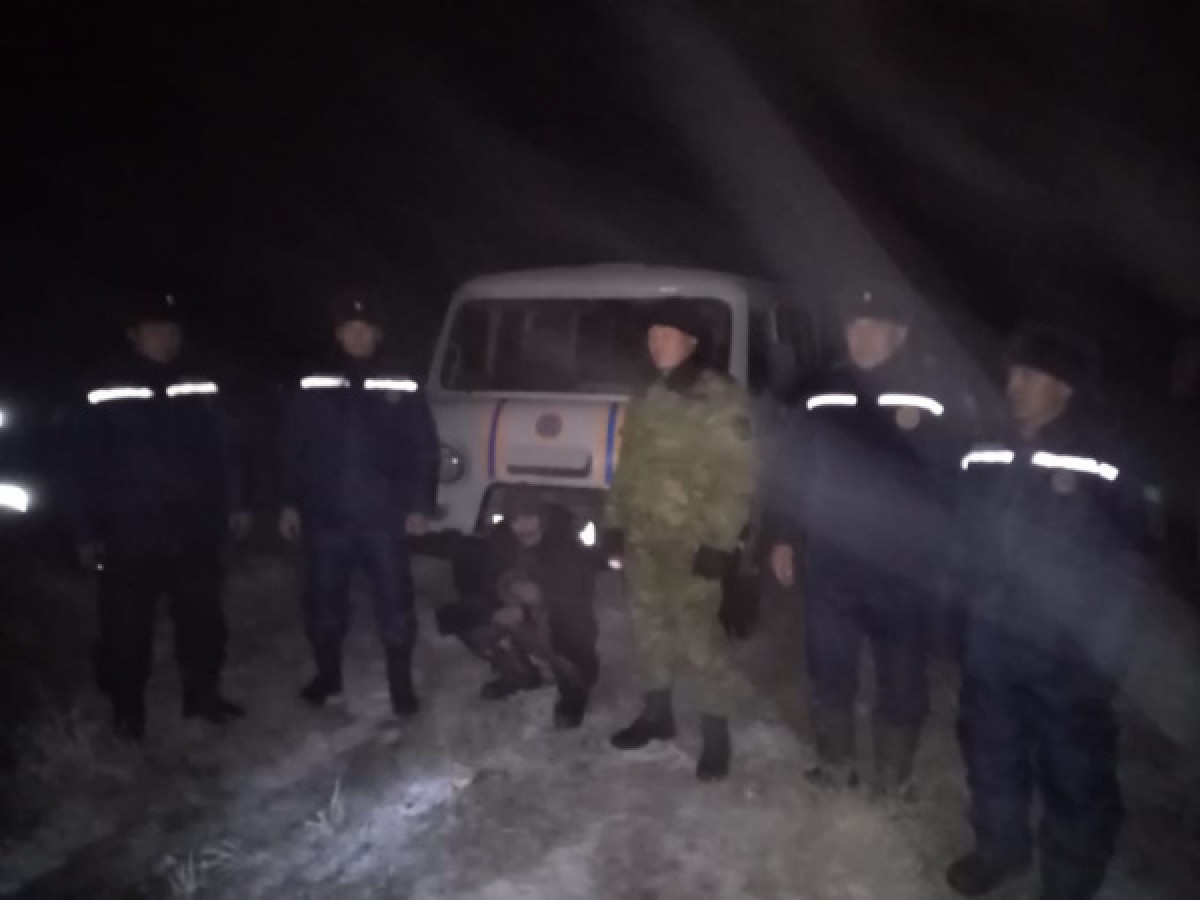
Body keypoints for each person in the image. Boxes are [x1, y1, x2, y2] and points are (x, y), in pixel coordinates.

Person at [946, 326, 1147, 900]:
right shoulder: (988, 444)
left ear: (1066, 386)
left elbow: (1129, 571)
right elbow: (961, 535)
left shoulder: (1109, 458)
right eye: (1012, 373)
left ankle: (1068, 883)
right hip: (992, 638)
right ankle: (1000, 849)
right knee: (992, 752)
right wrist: (957, 612)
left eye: (1030, 375)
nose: (1014, 385)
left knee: (1074, 775)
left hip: (1066, 651)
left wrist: (1104, 656)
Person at [765, 281, 954, 798]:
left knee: (902, 678)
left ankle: (893, 778)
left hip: (902, 567)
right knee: (829, 669)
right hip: (832, 562)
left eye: (875, 327)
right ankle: (834, 764)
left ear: (900, 334)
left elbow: (954, 486)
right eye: (854, 325)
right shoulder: (823, 391)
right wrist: (783, 536)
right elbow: (792, 468)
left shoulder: (931, 395)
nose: (862, 336)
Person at [67, 291, 250, 741]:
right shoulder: (101, 384)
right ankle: (127, 710)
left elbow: (229, 449)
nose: (165, 338)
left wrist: (238, 502)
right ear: (133, 335)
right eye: (154, 330)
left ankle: (202, 697)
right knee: (126, 629)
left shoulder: (201, 380)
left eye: (171, 329)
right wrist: (84, 531)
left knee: (203, 621)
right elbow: (77, 465)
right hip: (128, 532)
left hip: (194, 527)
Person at [603, 297, 755, 781]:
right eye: (651, 335)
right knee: (647, 626)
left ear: (691, 341)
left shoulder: (719, 397)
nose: (655, 344)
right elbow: (628, 467)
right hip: (643, 536)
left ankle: (715, 731)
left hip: (692, 543)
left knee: (698, 635)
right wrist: (613, 523)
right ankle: (657, 714)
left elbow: (738, 477)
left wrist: (720, 543)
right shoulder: (647, 394)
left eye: (665, 334)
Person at [279, 290, 439, 717]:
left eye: (365, 329)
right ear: (338, 334)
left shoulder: (400, 378)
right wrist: (289, 501)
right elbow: (293, 444)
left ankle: (401, 687)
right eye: (350, 329)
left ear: (377, 334)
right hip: (325, 516)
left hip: (383, 518)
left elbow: (423, 447)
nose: (358, 336)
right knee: (323, 602)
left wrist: (420, 505)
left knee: (395, 602)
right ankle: (328, 677)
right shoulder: (312, 378)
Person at [435, 489, 599, 728]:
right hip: (518, 615)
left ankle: (573, 690)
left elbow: (574, 594)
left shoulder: (566, 542)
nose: (523, 527)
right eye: (515, 520)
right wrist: (504, 591)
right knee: (470, 619)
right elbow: (485, 579)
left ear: (542, 516)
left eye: (529, 517)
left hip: (555, 621)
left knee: (566, 630)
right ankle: (518, 674)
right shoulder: (501, 539)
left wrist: (530, 606)